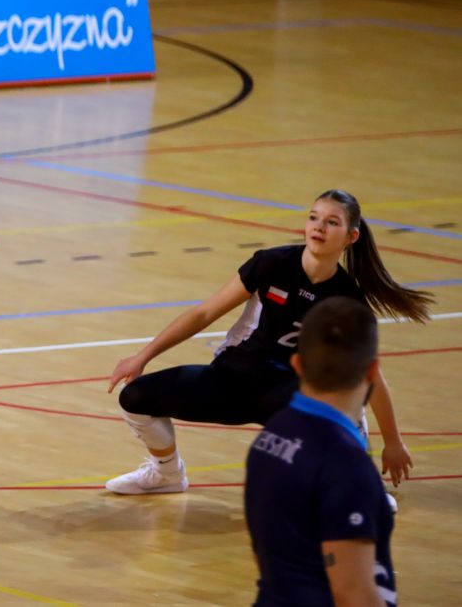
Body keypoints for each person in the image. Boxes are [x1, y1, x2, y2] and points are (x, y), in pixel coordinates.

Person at [105, 189, 432, 496]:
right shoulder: (272, 264)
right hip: (233, 379)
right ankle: (167, 474)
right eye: (314, 217)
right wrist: (143, 356)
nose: (318, 227)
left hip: (288, 395)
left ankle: (360, 489)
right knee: (135, 397)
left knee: (342, 404)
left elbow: (371, 374)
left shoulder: (347, 301)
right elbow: (204, 313)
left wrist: (393, 442)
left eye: (332, 222)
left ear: (351, 237)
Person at [245, 296, 397, 606]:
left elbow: (265, 556)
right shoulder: (347, 466)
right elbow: (352, 593)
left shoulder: (269, 438)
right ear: (372, 371)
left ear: (297, 365)